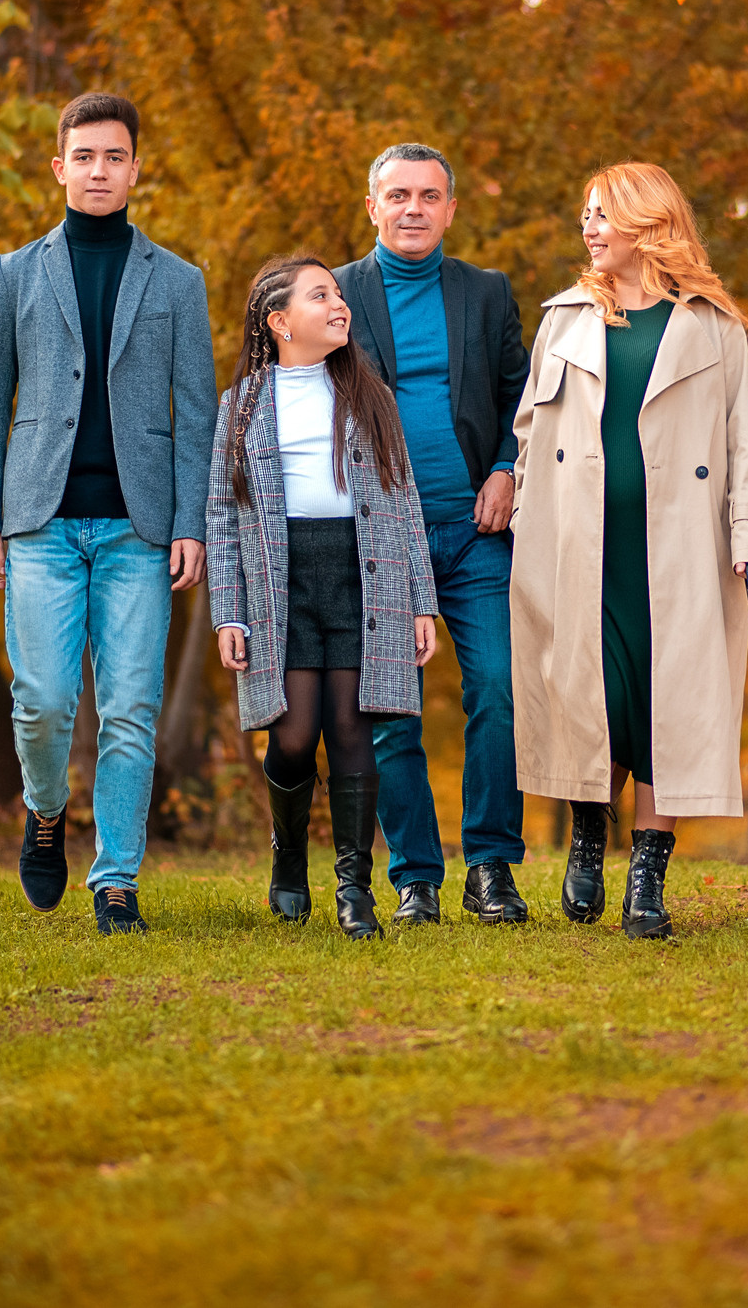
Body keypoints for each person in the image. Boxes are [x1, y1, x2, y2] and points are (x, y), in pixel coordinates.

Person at [508, 162, 748, 941]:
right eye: (585, 215)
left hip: (680, 548)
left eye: (603, 214)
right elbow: (531, 432)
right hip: (576, 546)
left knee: (667, 706)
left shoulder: (715, 326)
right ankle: (590, 833)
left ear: (648, 221)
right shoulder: (563, 317)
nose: (590, 229)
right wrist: (528, 512)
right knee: (592, 694)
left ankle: (648, 877)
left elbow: (744, 444)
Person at [0, 92, 218, 937]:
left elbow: (197, 413)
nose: (100, 170)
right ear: (59, 166)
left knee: (130, 708)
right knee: (39, 699)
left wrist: (192, 522)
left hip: (138, 530)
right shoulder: (14, 272)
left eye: (115, 157)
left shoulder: (179, 282)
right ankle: (44, 808)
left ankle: (116, 879)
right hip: (37, 520)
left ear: (136, 168)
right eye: (85, 156)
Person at [207, 257, 441, 940]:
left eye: (338, 294)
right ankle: (287, 854)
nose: (339, 303)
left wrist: (421, 599)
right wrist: (229, 609)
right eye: (321, 295)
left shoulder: (372, 396)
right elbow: (222, 513)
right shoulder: (243, 403)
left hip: (363, 573)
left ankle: (353, 886)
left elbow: (405, 502)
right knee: (293, 733)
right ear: (279, 322)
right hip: (281, 583)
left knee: (351, 729)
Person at [331, 144, 534, 927]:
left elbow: (522, 394)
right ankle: (415, 877)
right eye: (398, 195)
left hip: (475, 531)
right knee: (393, 712)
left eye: (429, 195)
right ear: (373, 205)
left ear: (450, 209)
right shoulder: (338, 292)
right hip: (379, 540)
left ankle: (492, 867)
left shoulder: (485, 293)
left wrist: (508, 467)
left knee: (500, 690)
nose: (413, 208)